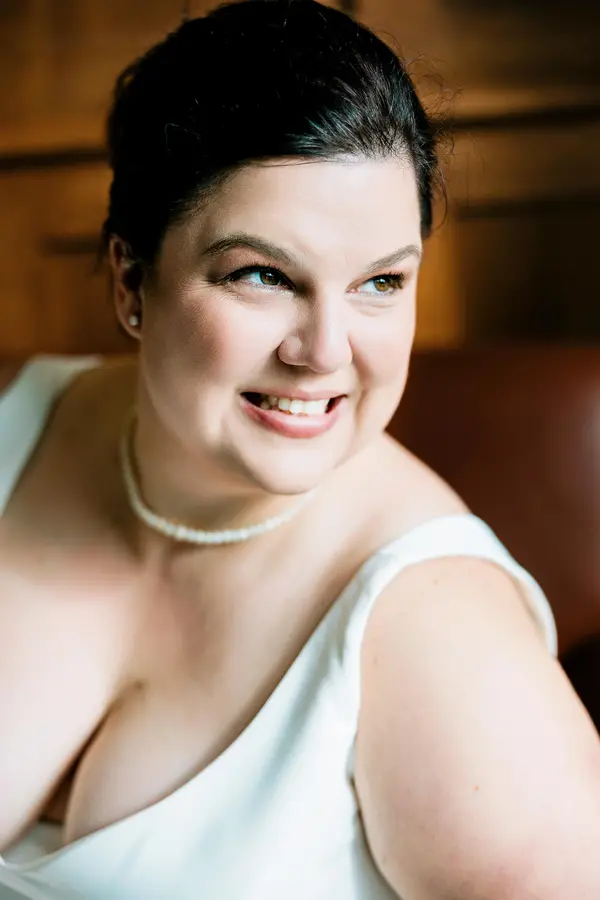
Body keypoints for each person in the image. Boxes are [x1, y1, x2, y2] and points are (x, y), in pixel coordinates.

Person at [1, 1, 599, 897]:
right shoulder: (18, 420)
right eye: (264, 275)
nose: (324, 351)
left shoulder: (443, 635)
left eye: (380, 282)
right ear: (131, 279)